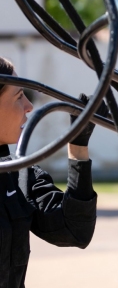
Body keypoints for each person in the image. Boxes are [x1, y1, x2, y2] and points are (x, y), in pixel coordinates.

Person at [0, 56, 103, 288]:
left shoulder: (17, 173)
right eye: (18, 97)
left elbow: (74, 230)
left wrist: (78, 143)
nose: (29, 106)